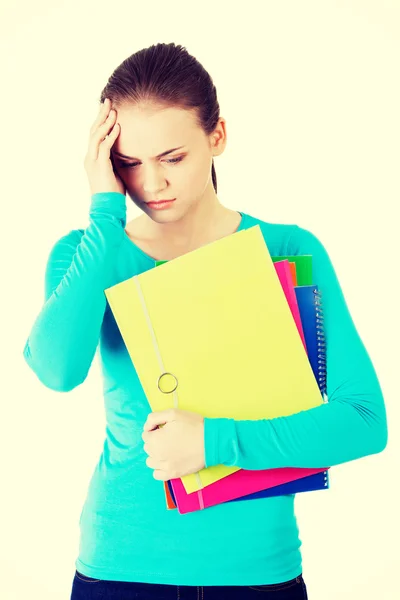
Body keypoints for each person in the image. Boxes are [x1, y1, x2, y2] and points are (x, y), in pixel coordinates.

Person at [23, 42, 388, 600]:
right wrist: (103, 211)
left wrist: (215, 441)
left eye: (173, 157)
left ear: (217, 136)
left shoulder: (285, 249)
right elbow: (56, 370)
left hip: (256, 574)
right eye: (128, 163)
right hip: (120, 570)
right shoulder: (88, 252)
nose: (151, 184)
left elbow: (363, 420)